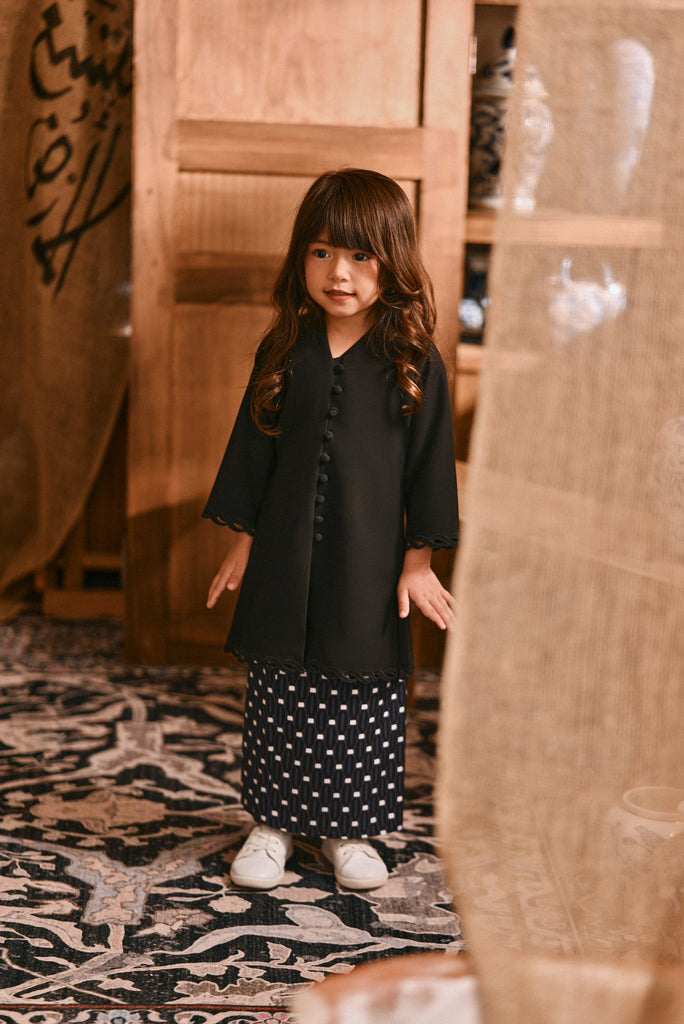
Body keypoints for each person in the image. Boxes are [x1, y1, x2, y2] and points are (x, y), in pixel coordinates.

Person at [203, 168, 459, 891]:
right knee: (279, 688)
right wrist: (243, 541)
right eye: (321, 253)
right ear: (301, 258)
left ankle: (348, 830)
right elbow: (253, 449)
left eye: (359, 255)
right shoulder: (284, 350)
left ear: (391, 260)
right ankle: (272, 825)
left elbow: (431, 469)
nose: (338, 273)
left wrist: (418, 562)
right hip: (284, 555)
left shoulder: (413, 362)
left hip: (369, 564)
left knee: (361, 695)